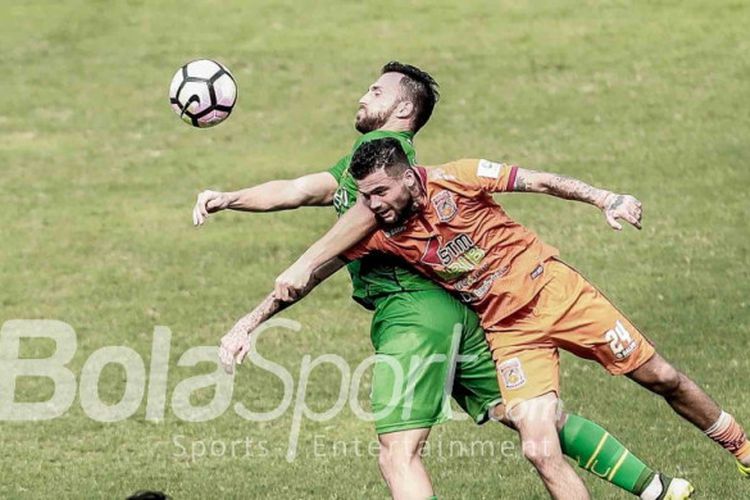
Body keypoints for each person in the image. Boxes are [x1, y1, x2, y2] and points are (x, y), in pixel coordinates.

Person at [206, 65, 690, 499]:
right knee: (527, 416)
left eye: (373, 91)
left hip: (411, 314)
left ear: (401, 108)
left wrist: (284, 283)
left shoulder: (385, 161)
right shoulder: (368, 163)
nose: (361, 96)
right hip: (457, 308)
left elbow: (350, 231)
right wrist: (228, 198)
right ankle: (654, 487)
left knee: (397, 454)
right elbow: (298, 189)